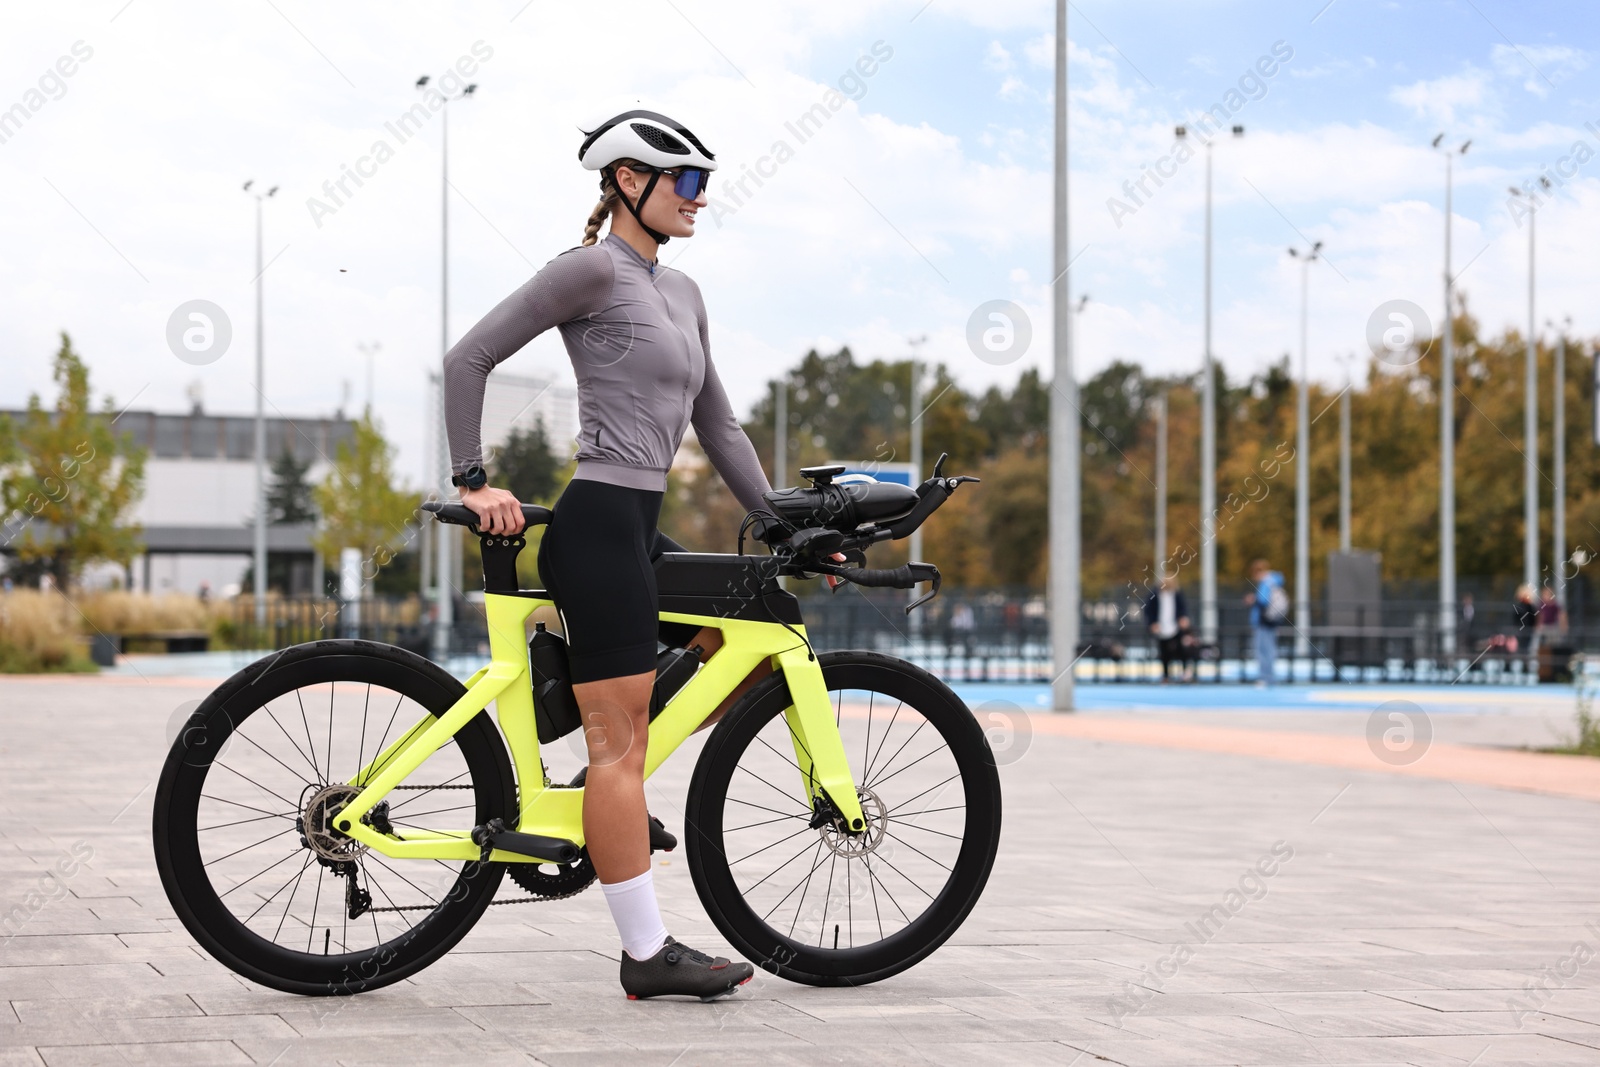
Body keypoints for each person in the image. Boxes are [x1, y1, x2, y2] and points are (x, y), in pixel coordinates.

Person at [441, 110, 772, 1001]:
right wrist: (474, 478)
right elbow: (468, 356)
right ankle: (645, 952)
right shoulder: (590, 269)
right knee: (621, 745)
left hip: (643, 524)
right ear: (630, 180)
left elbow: (721, 425)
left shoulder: (686, 292)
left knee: (740, 650)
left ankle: (605, 792)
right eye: (687, 181)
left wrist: (778, 516)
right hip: (595, 524)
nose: (700, 198)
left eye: (705, 183)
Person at [1243, 559, 1286, 687]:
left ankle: (1265, 677)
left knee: (1263, 650)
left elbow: (1263, 601)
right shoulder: (1274, 581)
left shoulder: (1266, 582)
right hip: (1272, 621)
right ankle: (1269, 676)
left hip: (1264, 622)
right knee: (1269, 649)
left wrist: (1253, 600)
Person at [1142, 575, 1190, 683]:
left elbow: (1182, 609)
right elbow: (1148, 611)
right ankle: (1166, 675)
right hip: (1161, 628)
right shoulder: (1154, 595)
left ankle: (1185, 673)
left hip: (1175, 627)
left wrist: (1183, 618)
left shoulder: (1177, 594)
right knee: (1164, 652)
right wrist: (1152, 623)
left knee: (1181, 650)